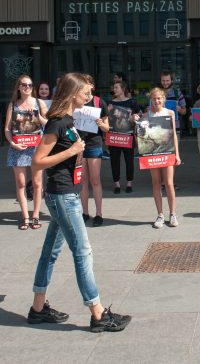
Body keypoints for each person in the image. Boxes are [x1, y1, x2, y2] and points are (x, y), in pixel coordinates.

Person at [29, 72, 131, 332]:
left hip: (66, 193)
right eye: (86, 93)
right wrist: (72, 151)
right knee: (83, 252)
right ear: (73, 93)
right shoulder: (58, 122)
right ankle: (97, 314)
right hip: (63, 196)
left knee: (50, 253)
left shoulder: (68, 119)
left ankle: (38, 308)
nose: (89, 96)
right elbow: (38, 161)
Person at [4, 75, 48, 230]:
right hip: (19, 147)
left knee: (37, 183)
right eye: (24, 85)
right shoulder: (13, 105)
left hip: (36, 147)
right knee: (21, 183)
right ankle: (25, 217)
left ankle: (35, 215)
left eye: (29, 85)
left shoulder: (39, 102)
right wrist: (12, 143)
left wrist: (36, 115)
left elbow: (49, 124)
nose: (27, 87)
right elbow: (7, 129)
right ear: (18, 87)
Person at [134, 87, 180, 228]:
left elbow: (173, 135)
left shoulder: (170, 113)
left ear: (163, 99)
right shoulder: (146, 116)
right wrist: (135, 122)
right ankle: (160, 215)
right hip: (152, 154)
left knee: (169, 183)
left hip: (167, 152)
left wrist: (177, 154)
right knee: (156, 183)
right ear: (151, 100)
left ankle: (172, 214)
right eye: (154, 98)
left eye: (159, 98)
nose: (157, 101)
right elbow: (139, 136)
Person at [78, 76, 109, 226]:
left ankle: (99, 214)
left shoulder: (99, 102)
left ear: (92, 85)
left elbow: (107, 128)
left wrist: (101, 123)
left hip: (94, 144)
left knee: (95, 180)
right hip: (79, 144)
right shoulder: (76, 101)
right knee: (82, 180)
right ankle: (85, 213)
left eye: (87, 83)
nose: (84, 86)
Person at [108, 81, 141, 194]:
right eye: (114, 87)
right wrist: (108, 111)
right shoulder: (110, 103)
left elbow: (140, 113)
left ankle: (129, 183)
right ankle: (116, 184)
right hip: (114, 136)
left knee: (129, 160)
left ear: (123, 88)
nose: (114, 89)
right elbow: (106, 118)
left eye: (116, 87)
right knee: (114, 161)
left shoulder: (131, 102)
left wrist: (135, 116)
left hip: (128, 135)